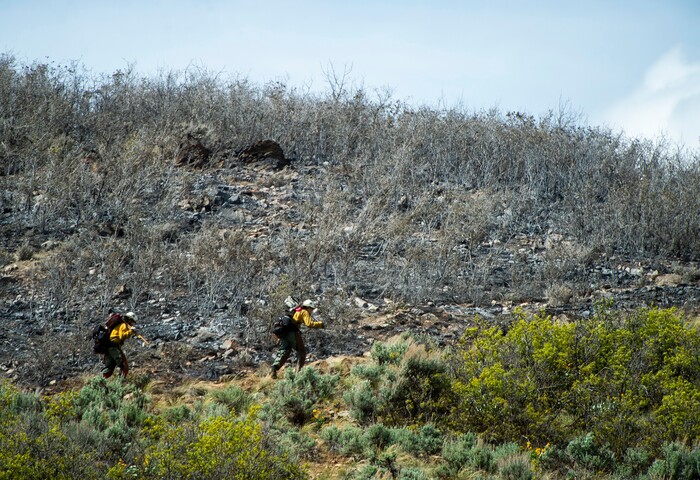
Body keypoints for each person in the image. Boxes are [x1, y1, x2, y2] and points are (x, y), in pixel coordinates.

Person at [271, 299, 324, 378]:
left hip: (285, 333)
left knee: (284, 351)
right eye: (311, 309)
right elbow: (309, 324)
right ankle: (298, 373)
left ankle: (274, 368)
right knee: (301, 352)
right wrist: (320, 324)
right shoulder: (304, 311)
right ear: (308, 307)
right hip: (293, 333)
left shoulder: (296, 310)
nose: (311, 311)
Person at [102, 311, 139, 378]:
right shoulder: (123, 325)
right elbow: (122, 336)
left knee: (108, 367)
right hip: (113, 346)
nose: (133, 324)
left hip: (109, 347)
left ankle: (102, 380)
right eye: (133, 322)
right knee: (123, 365)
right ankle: (120, 381)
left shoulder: (121, 325)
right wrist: (131, 331)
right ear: (130, 320)